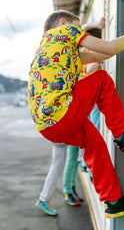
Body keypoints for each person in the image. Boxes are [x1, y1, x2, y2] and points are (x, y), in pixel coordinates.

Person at [28, 10, 124, 218]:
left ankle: (114, 201)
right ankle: (123, 131)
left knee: (94, 143)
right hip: (61, 113)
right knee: (100, 79)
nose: (79, 34)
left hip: (47, 127)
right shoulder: (63, 33)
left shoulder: (48, 49)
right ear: (63, 23)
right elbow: (108, 47)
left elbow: (103, 53)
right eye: (77, 27)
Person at [35, 19, 105, 215]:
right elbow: (77, 32)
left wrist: (96, 24)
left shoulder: (58, 54)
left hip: (53, 118)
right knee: (64, 160)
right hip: (64, 116)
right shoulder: (72, 52)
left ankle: (65, 191)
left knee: (67, 160)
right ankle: (59, 193)